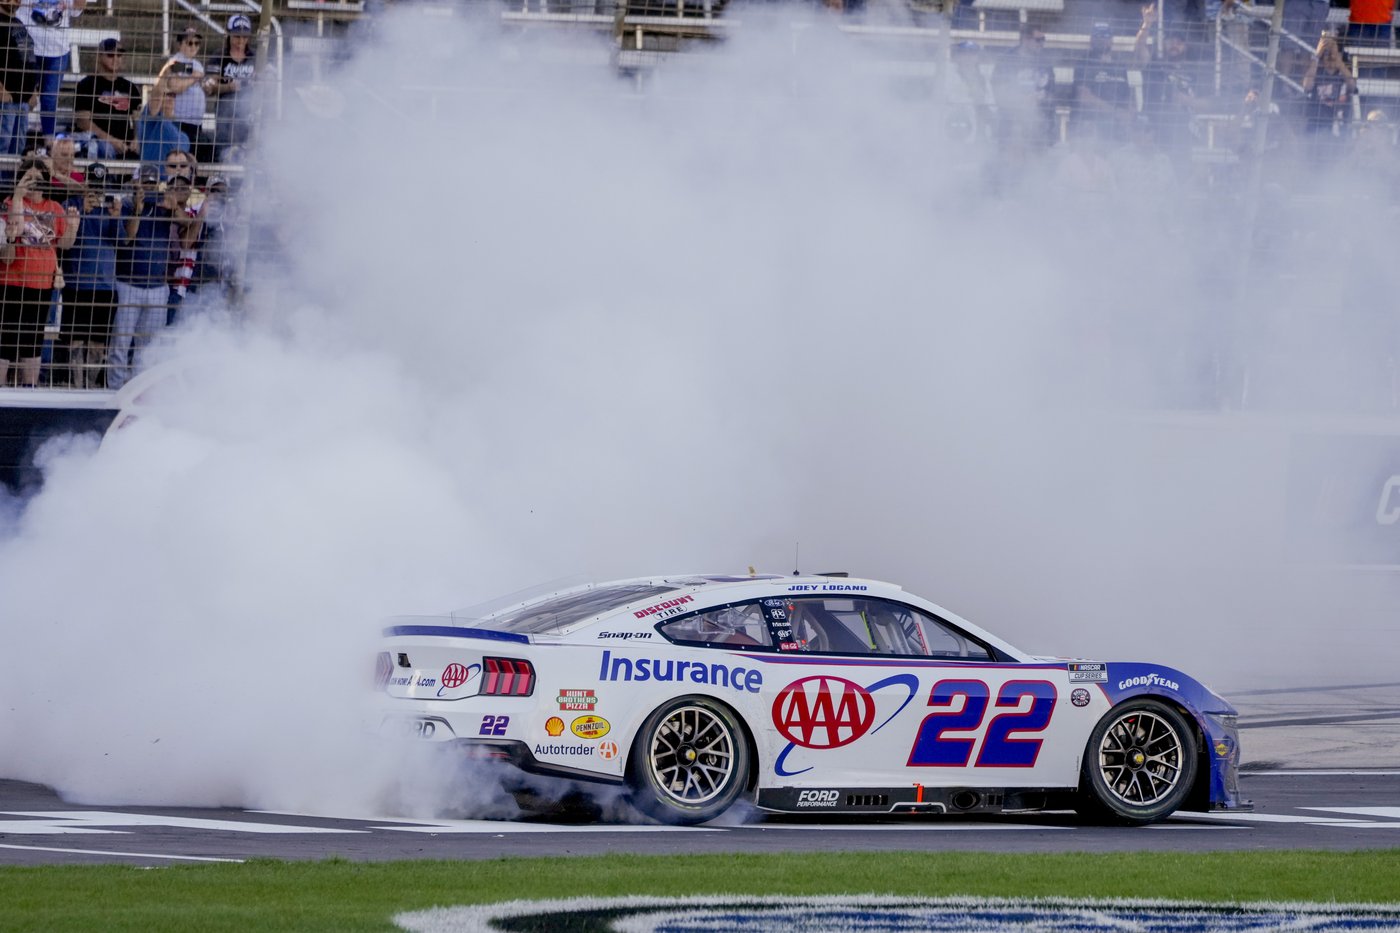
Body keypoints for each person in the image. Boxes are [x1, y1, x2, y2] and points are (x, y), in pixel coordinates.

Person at [108, 165, 201, 390]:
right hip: (128, 283)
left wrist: (174, 207)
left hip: (158, 286)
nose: (148, 188)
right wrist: (138, 209)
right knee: (121, 343)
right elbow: (127, 237)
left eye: (151, 184)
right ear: (135, 183)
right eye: (144, 183)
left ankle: (141, 390)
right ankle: (115, 389)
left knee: (148, 346)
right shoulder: (127, 204)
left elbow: (188, 224)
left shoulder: (163, 205)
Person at [0, 156, 74, 386]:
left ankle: (29, 388)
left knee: (32, 340)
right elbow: (15, 230)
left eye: (38, 178)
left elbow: (64, 244)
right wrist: (18, 196)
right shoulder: (9, 203)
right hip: (11, 282)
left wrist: (73, 226)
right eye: (28, 178)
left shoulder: (55, 208)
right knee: (6, 339)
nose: (33, 183)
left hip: (42, 284)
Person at [59, 160, 120, 387]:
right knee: (74, 341)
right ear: (84, 182)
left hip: (105, 286)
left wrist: (115, 217)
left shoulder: (112, 206)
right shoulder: (70, 204)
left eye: (101, 185)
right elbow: (65, 240)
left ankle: (91, 386)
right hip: (77, 285)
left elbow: (121, 241)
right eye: (93, 184)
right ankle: (76, 386)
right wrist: (82, 213)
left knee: (97, 343)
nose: (96, 190)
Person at [16, 0, 84, 136]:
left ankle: (49, 141)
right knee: (24, 98)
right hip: (27, 46)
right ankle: (17, 141)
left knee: (49, 100)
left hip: (57, 49)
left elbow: (78, 8)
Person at [73, 37, 139, 160]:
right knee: (105, 149)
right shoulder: (86, 85)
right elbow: (83, 122)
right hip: (98, 142)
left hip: (126, 144)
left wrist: (137, 139)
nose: (115, 59)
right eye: (110, 55)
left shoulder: (130, 87)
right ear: (99, 56)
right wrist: (112, 140)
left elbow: (138, 119)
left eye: (119, 55)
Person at [1073, 22, 1136, 145]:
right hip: (1093, 129)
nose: (1101, 40)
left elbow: (1129, 97)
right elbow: (1084, 97)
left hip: (1119, 130)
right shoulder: (1084, 64)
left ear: (1111, 40)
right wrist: (1115, 112)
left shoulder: (1120, 65)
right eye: (1098, 36)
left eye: (1105, 36)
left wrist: (1130, 116)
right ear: (1092, 40)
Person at [206, 14, 257, 162]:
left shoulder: (255, 56)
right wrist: (230, 87)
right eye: (237, 37)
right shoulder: (219, 56)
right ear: (229, 35)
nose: (241, 41)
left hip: (249, 112)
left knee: (247, 153)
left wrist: (262, 80)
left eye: (245, 37)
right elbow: (209, 87)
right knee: (224, 151)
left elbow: (268, 79)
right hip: (225, 114)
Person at [1301, 33, 1357, 158]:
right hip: (1316, 126)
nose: (1331, 57)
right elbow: (1306, 86)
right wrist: (1317, 55)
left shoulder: (1344, 73)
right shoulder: (1316, 72)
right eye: (1327, 54)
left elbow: (1352, 86)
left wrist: (1338, 60)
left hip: (1339, 128)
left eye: (1333, 53)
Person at [162, 26, 210, 164]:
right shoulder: (174, 63)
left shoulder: (197, 64)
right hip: (180, 122)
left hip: (195, 123)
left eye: (196, 43)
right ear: (179, 44)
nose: (193, 46)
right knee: (182, 159)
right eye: (189, 43)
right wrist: (195, 77)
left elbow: (201, 83)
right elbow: (175, 86)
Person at [0, 0, 38, 158]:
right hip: (6, 99)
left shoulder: (18, 23)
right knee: (3, 147)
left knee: (17, 149)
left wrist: (33, 91)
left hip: (23, 99)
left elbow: (29, 57)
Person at [135, 76, 191, 167]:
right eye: (166, 94)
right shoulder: (151, 119)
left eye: (173, 95)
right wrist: (165, 71)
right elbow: (156, 98)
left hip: (173, 175)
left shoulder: (183, 137)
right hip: (150, 174)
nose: (169, 98)